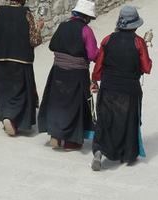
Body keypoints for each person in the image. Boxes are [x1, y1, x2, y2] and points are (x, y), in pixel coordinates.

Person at [90, 5, 152, 171]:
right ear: (135, 25)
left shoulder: (108, 39)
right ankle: (127, 154)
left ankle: (99, 150)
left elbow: (99, 65)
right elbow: (146, 68)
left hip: (108, 87)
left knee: (105, 119)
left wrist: (94, 80)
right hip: (129, 89)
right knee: (127, 121)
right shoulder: (139, 42)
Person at [38, 0, 99, 151]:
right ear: (87, 17)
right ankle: (71, 141)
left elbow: (52, 45)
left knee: (57, 103)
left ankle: (55, 134)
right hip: (77, 75)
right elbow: (92, 54)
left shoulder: (63, 26)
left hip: (58, 71)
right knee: (75, 106)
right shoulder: (86, 30)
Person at [0, 0, 44, 136]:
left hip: (2, 60)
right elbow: (34, 40)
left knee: (5, 92)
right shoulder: (26, 13)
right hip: (21, 62)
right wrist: (39, 27)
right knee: (20, 93)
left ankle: (6, 116)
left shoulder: (0, 12)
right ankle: (11, 118)